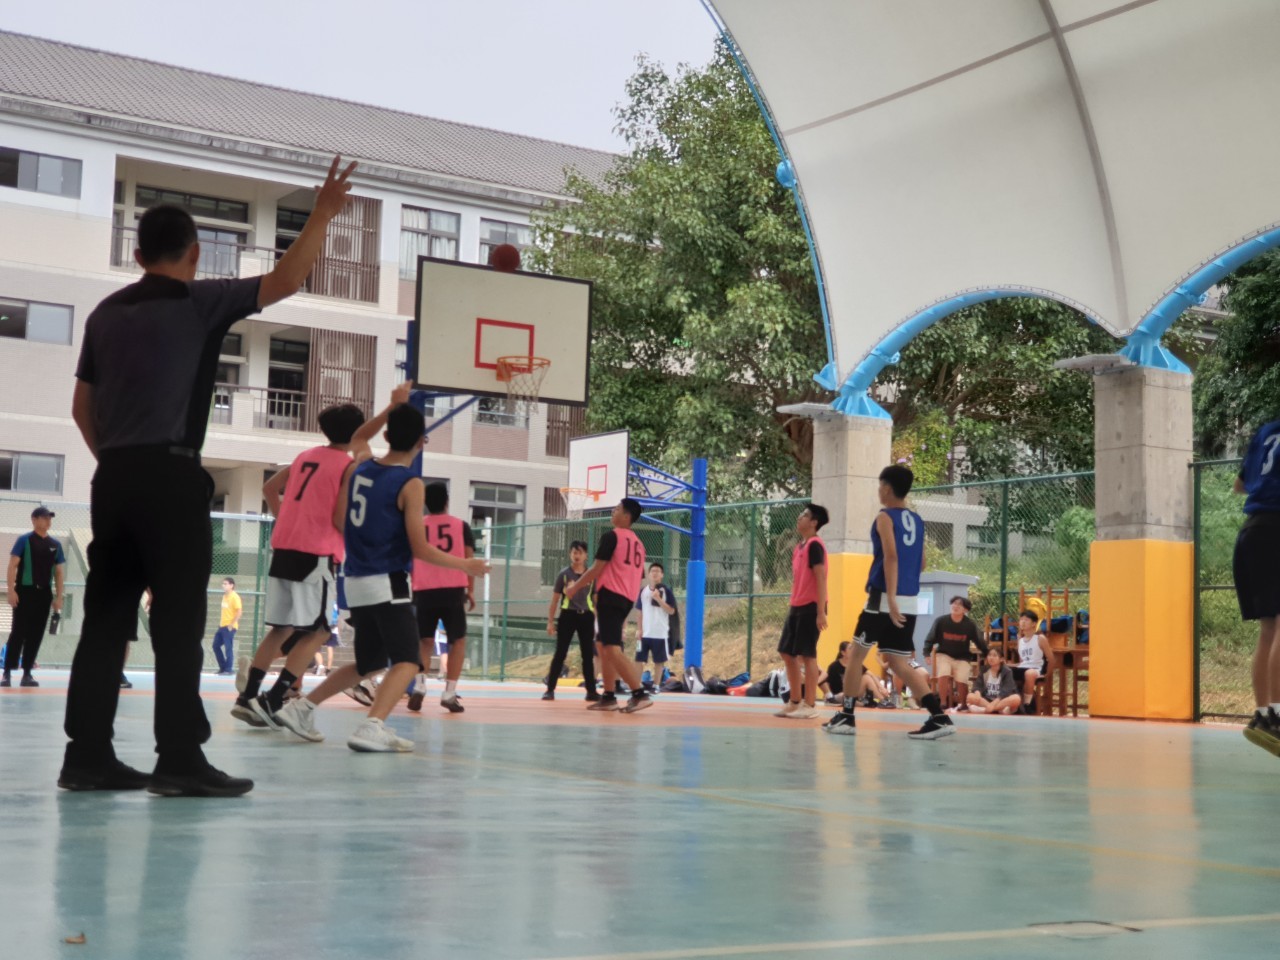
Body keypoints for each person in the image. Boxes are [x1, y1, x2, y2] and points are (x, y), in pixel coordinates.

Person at [60, 155, 358, 796]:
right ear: (194, 254)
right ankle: (178, 761)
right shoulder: (200, 302)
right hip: (170, 477)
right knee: (177, 622)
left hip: (113, 478)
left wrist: (115, 460)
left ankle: (85, 756)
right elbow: (286, 279)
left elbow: (81, 408)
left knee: (106, 619)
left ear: (138, 255)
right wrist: (323, 214)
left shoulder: (104, 314)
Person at [273, 404, 490, 750]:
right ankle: (372, 726)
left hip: (354, 581)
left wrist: (392, 404)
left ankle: (302, 708)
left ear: (386, 435)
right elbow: (419, 548)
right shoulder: (410, 483)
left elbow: (359, 439)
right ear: (421, 442)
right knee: (409, 660)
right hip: (386, 582)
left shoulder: (362, 466)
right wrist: (466, 566)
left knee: (369, 663)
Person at [234, 389, 403, 729]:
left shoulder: (305, 456)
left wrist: (286, 519)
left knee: (281, 629)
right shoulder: (348, 466)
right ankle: (273, 699)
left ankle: (247, 697)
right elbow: (341, 518)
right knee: (320, 631)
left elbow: (269, 489)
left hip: (284, 549)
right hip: (316, 554)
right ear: (357, 431)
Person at [825, 464, 954, 739]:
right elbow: (921, 562)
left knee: (855, 656)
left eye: (879, 486)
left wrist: (891, 598)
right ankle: (939, 716)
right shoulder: (917, 520)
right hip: (909, 600)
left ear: (885, 488)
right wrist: (901, 593)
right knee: (899, 663)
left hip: (883, 600)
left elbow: (891, 556)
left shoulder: (884, 517)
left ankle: (847, 716)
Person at [562, 498, 652, 714]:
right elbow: (637, 575)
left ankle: (639, 693)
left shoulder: (612, 536)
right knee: (603, 645)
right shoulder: (639, 544)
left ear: (627, 516)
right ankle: (609, 696)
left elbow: (597, 568)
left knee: (611, 647)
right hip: (625, 598)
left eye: (618, 509)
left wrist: (575, 588)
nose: (613, 511)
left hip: (611, 596)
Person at [1233, 416, 1280, 755]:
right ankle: (1277, 716)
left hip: (1253, 531)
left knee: (1269, 627)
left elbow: (1240, 485)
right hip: (1277, 528)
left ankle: (1263, 715)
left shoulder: (1266, 431)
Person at [408, 482, 476, 714]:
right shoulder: (460, 526)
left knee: (424, 641)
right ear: (447, 501)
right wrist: (470, 590)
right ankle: (449, 693)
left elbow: (410, 558)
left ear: (425, 503)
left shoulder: (417, 526)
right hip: (452, 590)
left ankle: (419, 685)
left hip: (423, 589)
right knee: (457, 641)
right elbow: (469, 560)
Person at [776, 503, 829, 720]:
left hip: (811, 607)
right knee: (786, 652)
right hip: (796, 606)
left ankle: (810, 705)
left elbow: (821, 578)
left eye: (805, 515)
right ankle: (795, 701)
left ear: (814, 522)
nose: (800, 517)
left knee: (808, 655)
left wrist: (821, 611)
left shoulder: (815, 545)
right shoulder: (799, 547)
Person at [3, 506, 66, 688]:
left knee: (36, 634)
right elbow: (12, 565)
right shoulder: (24, 540)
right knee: (18, 632)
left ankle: (27, 673)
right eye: (45, 518)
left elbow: (59, 573)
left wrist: (59, 597)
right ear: (34, 519)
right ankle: (7, 672)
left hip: (44, 594)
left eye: (49, 518)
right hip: (25, 592)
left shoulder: (55, 544)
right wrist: (11, 590)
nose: (48, 521)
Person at [542, 540, 599, 701]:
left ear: (586, 555)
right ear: (570, 554)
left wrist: (598, 622)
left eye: (580, 552)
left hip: (586, 616)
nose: (577, 556)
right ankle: (550, 689)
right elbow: (555, 600)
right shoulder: (564, 574)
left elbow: (596, 600)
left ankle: (591, 691)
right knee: (560, 652)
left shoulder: (591, 575)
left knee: (587, 654)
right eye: (574, 552)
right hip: (568, 615)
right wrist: (550, 622)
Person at [922, 595, 987, 710]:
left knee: (962, 678)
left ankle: (963, 704)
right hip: (944, 654)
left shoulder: (970, 625)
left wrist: (986, 654)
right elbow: (930, 638)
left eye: (959, 605)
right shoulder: (941, 621)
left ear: (965, 610)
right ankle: (942, 703)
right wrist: (926, 653)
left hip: (962, 657)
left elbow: (979, 640)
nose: (956, 606)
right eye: (954, 603)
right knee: (943, 672)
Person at [633, 562, 676, 694]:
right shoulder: (643, 591)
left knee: (659, 661)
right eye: (653, 571)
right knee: (638, 659)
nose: (655, 573)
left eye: (658, 571)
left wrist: (659, 599)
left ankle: (656, 686)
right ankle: (637, 685)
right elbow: (639, 612)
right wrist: (639, 629)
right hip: (644, 633)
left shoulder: (667, 591)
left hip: (659, 633)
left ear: (662, 575)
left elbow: (671, 611)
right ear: (649, 574)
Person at [1011, 611, 1056, 712]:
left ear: (1034, 624)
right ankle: (1008, 702)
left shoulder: (1040, 638)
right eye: (1021, 619)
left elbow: (1051, 659)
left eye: (1026, 620)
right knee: (1004, 670)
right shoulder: (1020, 640)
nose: (1023, 622)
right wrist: (1009, 665)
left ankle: (1027, 704)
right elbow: (1023, 662)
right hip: (1023, 668)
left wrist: (1046, 675)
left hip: (1036, 669)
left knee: (1029, 673)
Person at [967, 647, 1022, 714]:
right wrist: (977, 693)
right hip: (987, 700)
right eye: (989, 655)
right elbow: (977, 685)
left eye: (995, 655)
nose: (991, 658)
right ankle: (995, 709)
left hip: (1001, 700)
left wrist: (993, 704)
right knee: (970, 696)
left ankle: (986, 710)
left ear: (1001, 659)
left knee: (1016, 698)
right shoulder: (984, 670)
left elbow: (1006, 690)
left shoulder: (1007, 671)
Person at [210, 578, 241, 676]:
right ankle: (222, 668)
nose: (223, 585)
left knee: (228, 648)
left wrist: (231, 624)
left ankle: (228, 669)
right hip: (222, 626)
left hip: (229, 627)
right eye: (223, 584)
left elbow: (239, 612)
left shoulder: (235, 597)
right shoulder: (224, 596)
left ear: (232, 585)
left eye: (226, 584)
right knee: (215, 646)